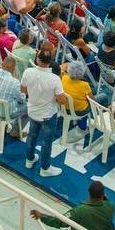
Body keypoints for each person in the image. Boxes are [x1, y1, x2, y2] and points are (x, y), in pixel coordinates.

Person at [21, 48, 67, 177]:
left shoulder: (28, 72)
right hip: (48, 115)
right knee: (46, 142)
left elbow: (23, 90)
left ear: (37, 59)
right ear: (50, 61)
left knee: (32, 136)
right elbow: (62, 100)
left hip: (32, 111)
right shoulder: (55, 79)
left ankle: (29, 160)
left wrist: (36, 95)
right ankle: (45, 168)